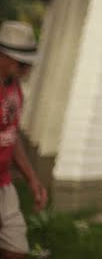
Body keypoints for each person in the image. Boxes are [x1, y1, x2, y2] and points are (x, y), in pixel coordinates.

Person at [0, 21, 48, 259]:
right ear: (4, 56)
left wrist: (32, 178)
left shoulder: (14, 88)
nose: (26, 70)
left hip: (4, 181)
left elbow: (12, 135)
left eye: (28, 64)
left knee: (17, 247)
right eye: (22, 64)